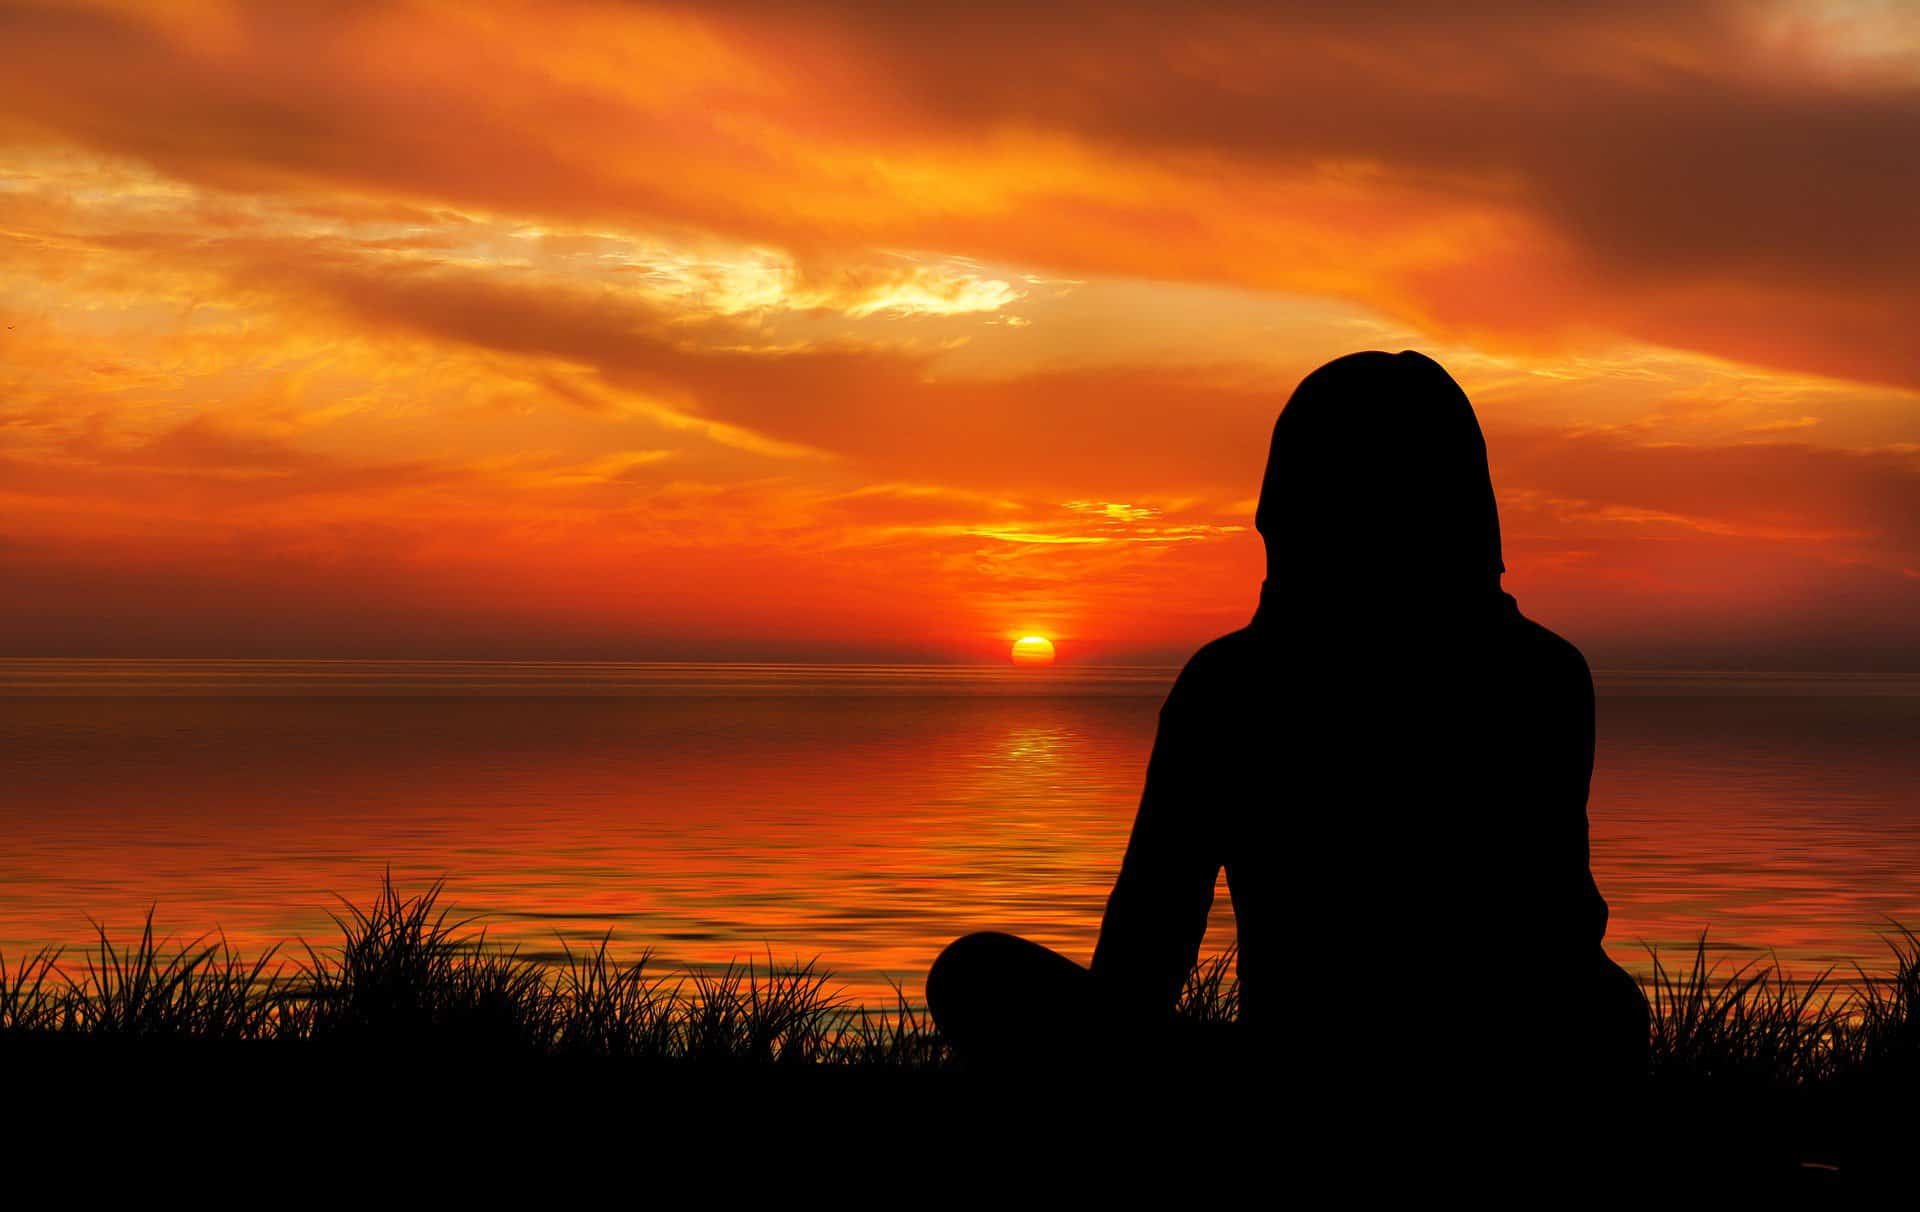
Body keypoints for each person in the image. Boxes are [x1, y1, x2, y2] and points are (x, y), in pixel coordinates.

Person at [926, 350, 1648, 1091]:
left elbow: (1152, 935)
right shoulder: (1546, 672)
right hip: (1527, 1062)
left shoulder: (1231, 685)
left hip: (1321, 1075)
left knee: (976, 974)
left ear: (1287, 507)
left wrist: (1109, 1058)